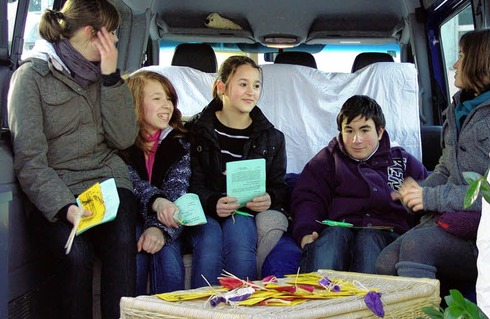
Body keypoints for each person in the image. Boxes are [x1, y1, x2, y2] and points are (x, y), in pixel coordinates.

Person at [7, 1, 138, 318]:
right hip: (58, 186)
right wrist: (65, 206)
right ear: (93, 33)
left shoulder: (102, 74)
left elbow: (123, 139)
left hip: (107, 179)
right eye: (112, 36)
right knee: (76, 255)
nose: (116, 44)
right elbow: (31, 161)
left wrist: (111, 78)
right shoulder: (31, 77)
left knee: (121, 238)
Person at [376, 28, 490, 299]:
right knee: (385, 261)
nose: (455, 64)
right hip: (450, 222)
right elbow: (447, 169)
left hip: (483, 234)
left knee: (417, 244)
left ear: (480, 62)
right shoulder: (458, 108)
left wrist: (431, 197)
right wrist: (417, 190)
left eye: (461, 55)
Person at [291, 95, 429, 274]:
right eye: (349, 131)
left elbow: (427, 199)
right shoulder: (327, 159)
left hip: (386, 232)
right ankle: (320, 300)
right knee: (332, 241)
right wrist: (306, 232)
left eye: (364, 130)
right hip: (338, 227)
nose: (356, 139)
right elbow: (308, 198)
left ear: (379, 132)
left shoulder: (402, 162)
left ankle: (369, 301)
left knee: (369, 241)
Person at [188, 55, 289, 280]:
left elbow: (279, 186)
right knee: (209, 241)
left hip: (243, 212)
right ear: (221, 87)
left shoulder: (273, 138)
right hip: (206, 212)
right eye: (243, 84)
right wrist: (213, 202)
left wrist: (270, 198)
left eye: (256, 85)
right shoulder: (196, 131)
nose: (251, 91)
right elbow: (191, 183)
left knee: (241, 239)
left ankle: (243, 309)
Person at [121, 71, 223, 294]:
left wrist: (158, 229)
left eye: (169, 99)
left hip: (171, 220)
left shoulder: (181, 142)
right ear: (135, 101)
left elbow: (177, 188)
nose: (167, 105)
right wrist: (155, 208)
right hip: (134, 216)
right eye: (157, 98)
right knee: (137, 248)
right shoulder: (120, 144)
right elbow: (130, 183)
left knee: (170, 257)